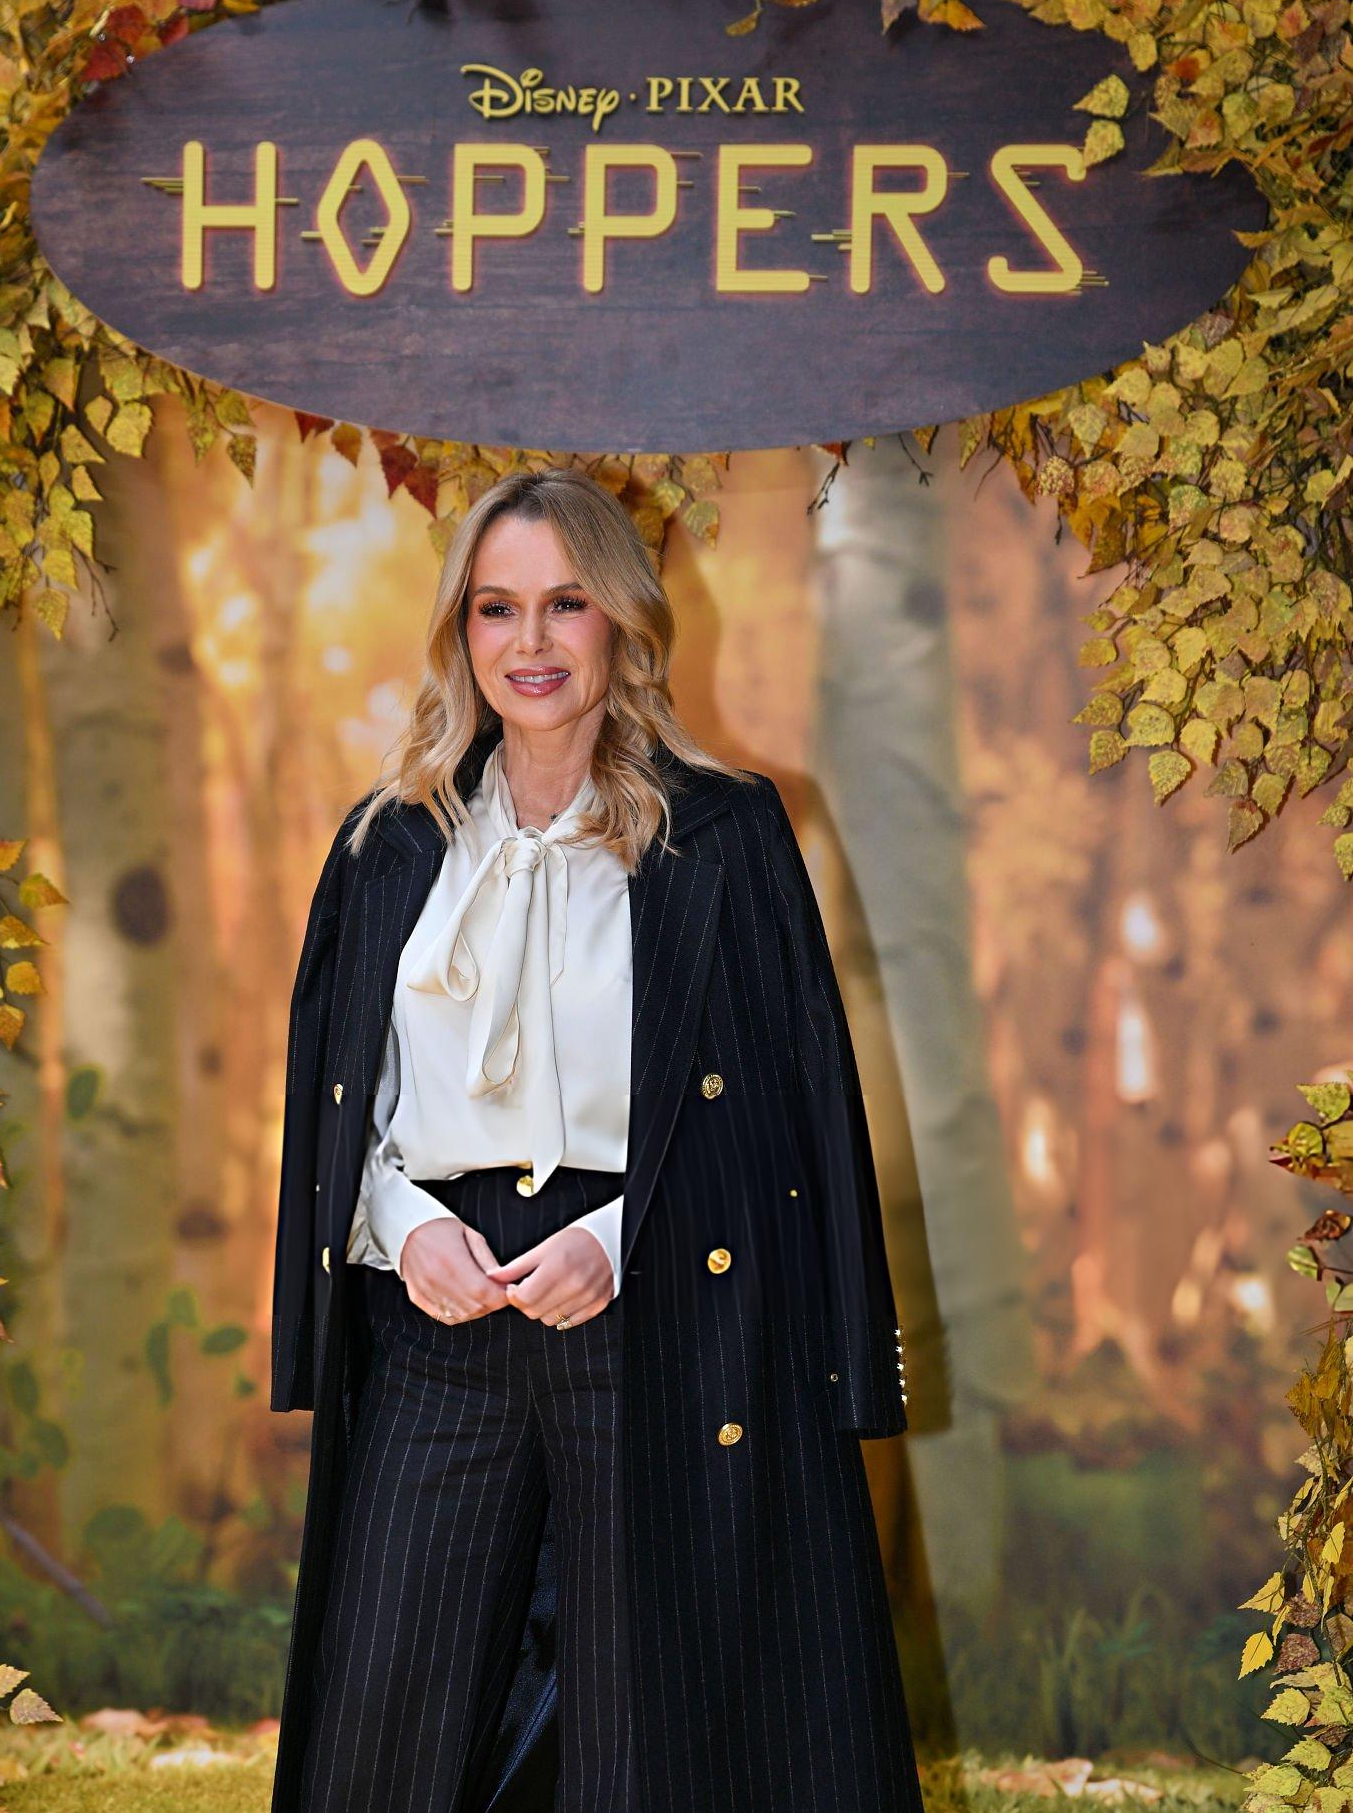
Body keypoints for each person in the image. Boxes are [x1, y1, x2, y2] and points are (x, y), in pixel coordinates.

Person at [269, 465, 922, 1813]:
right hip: (435, 1315)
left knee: (647, 1739)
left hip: (655, 1312)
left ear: (622, 618)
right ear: (460, 630)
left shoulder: (725, 834)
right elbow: (348, 1112)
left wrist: (623, 1241)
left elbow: (787, 1128)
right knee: (383, 1717)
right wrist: (408, 1229)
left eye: (566, 603)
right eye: (496, 607)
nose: (531, 641)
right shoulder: (388, 845)